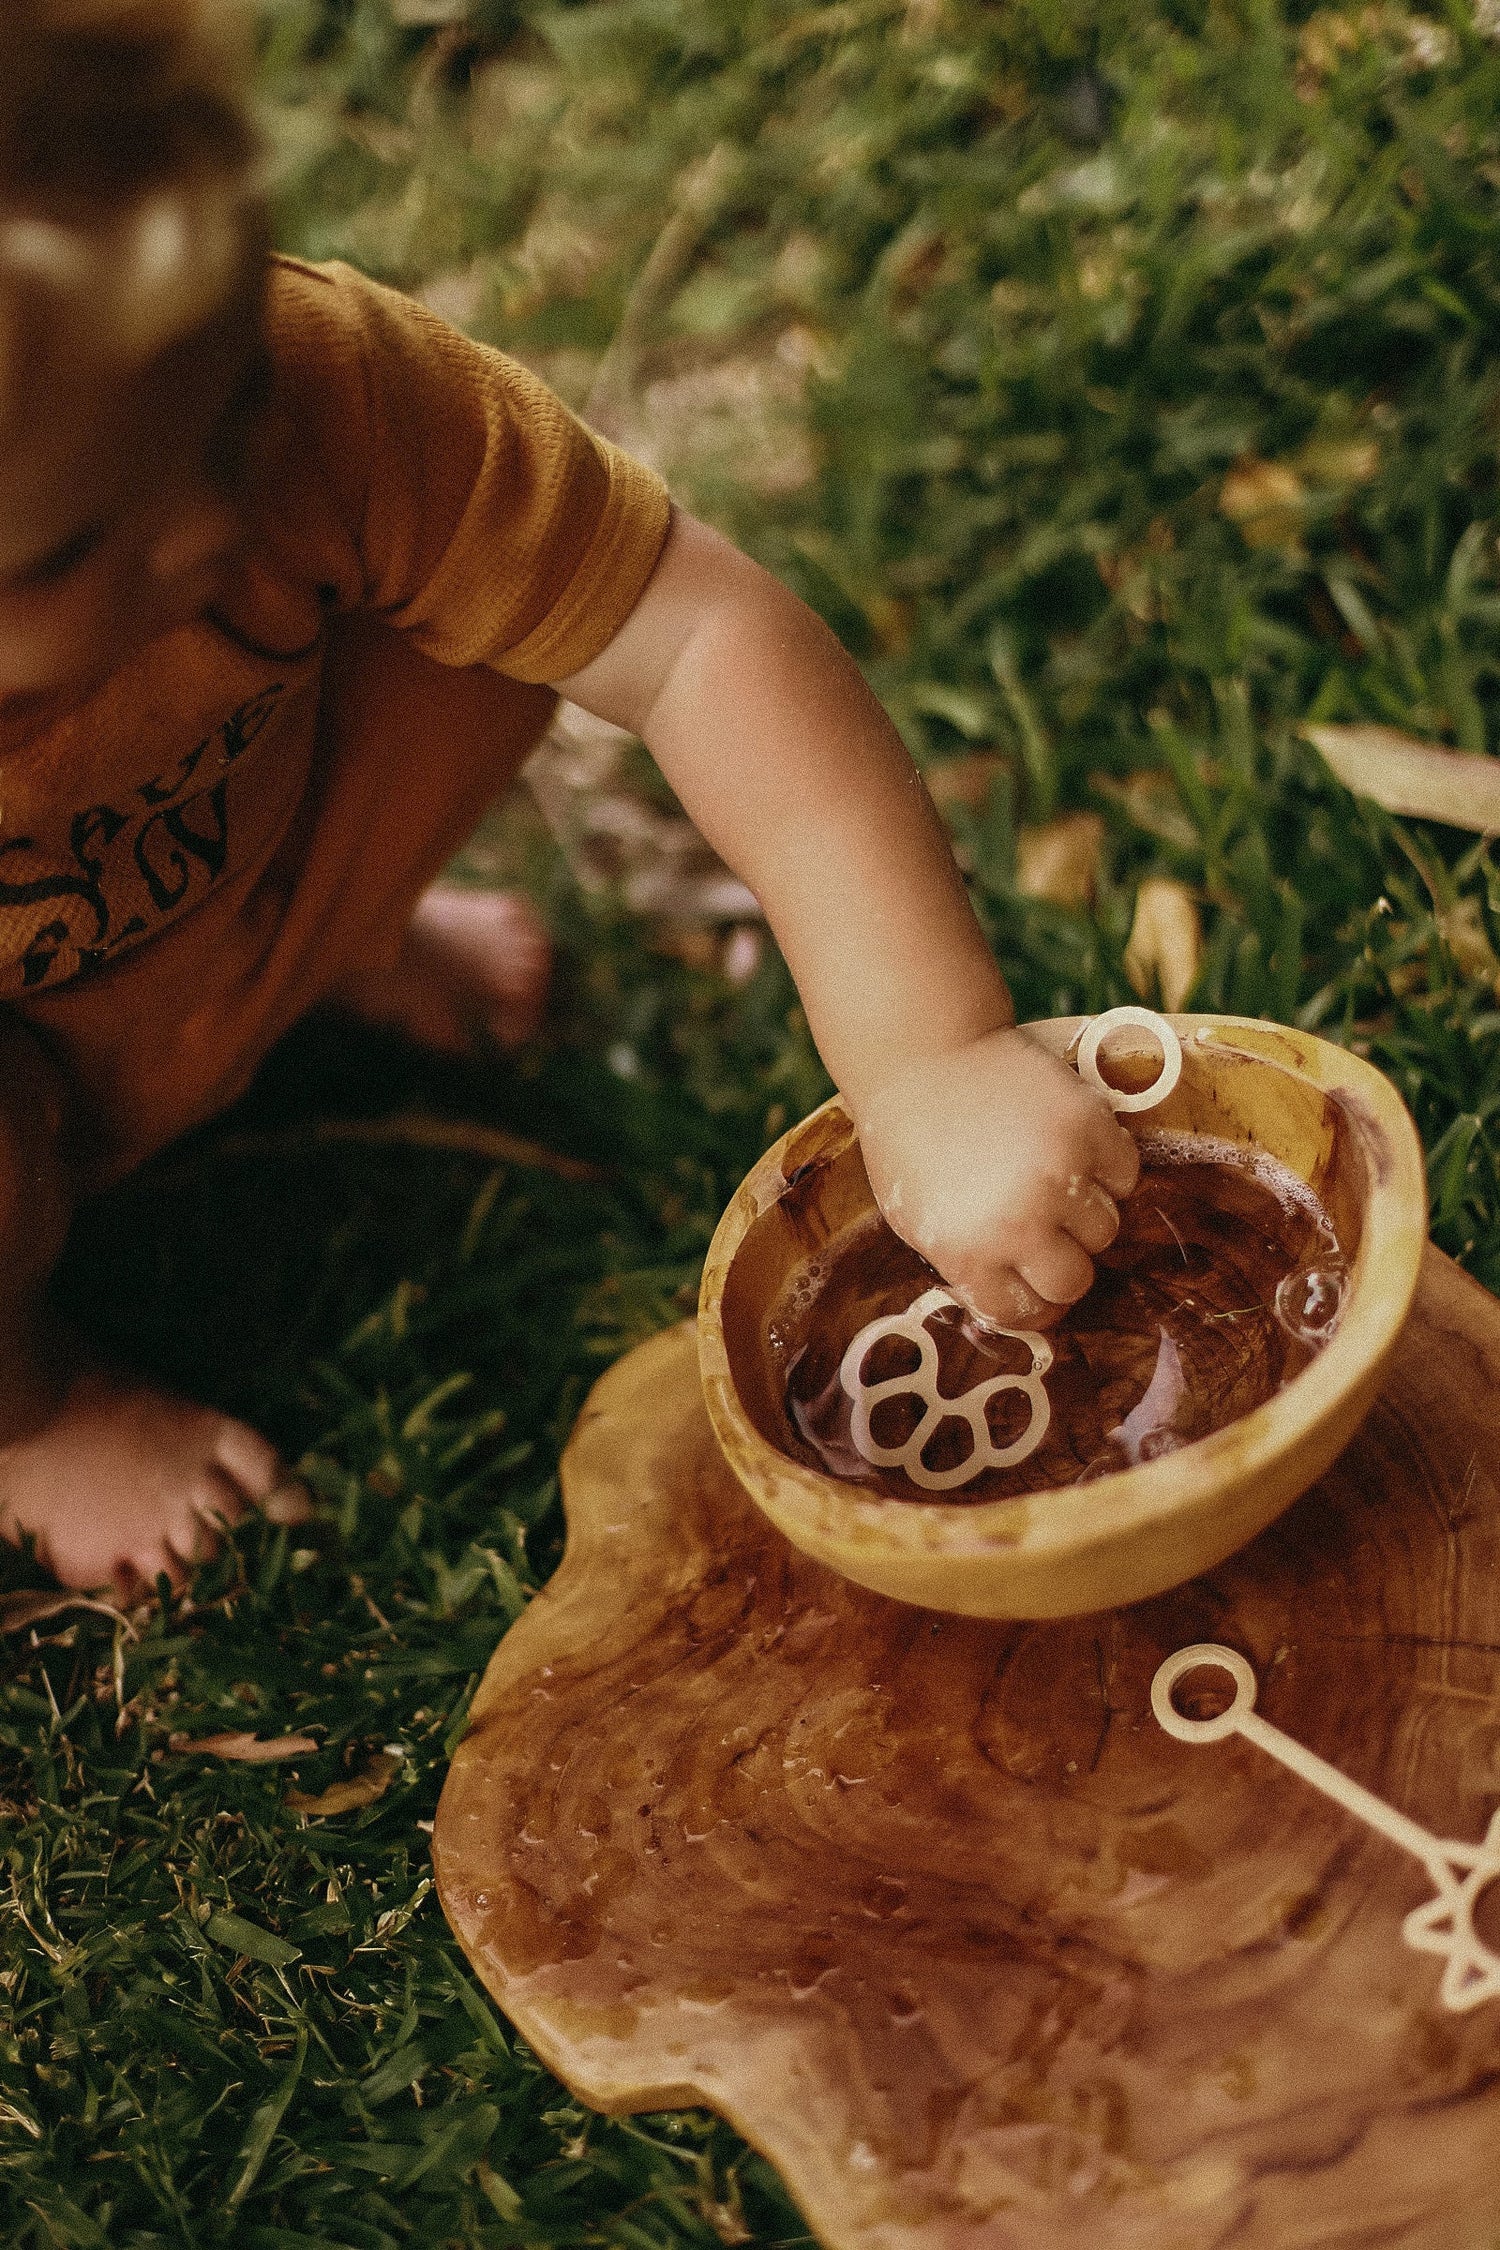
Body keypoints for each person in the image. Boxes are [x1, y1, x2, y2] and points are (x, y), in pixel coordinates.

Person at [0, 0, 1138, 1596]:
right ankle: (32, 1411)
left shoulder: (294, 396)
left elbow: (695, 631)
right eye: (61, 550)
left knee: (517, 595)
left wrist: (930, 1056)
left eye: (224, 406)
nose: (203, 531)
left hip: (202, 859)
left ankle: (302, 957)